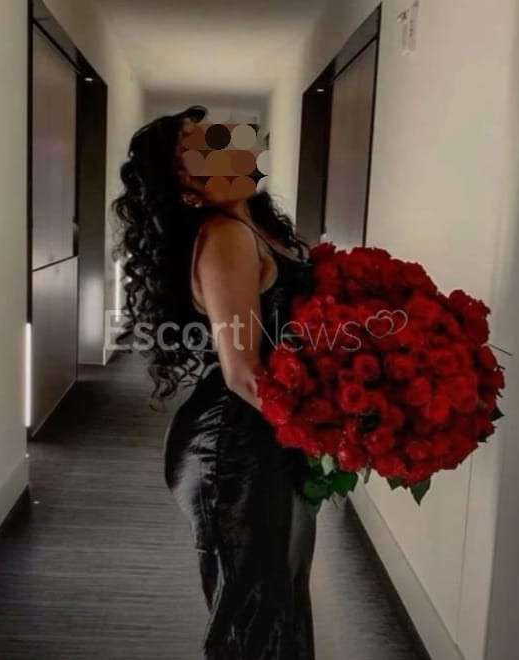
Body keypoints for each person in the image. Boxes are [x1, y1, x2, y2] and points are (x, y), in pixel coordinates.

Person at [113, 105, 317, 659]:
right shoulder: (226, 235)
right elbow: (243, 371)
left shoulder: (257, 228)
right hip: (235, 448)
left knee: (278, 592)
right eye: (199, 149)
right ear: (186, 187)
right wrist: (326, 432)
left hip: (266, 433)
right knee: (254, 609)